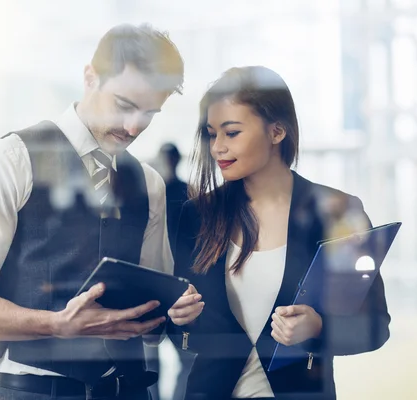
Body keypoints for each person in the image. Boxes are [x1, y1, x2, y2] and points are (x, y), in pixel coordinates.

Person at [0, 23, 198, 400]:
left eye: (149, 113)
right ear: (90, 76)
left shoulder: (150, 183)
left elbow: (151, 318)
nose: (133, 127)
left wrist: (175, 310)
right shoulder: (9, 160)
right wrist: (57, 325)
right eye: (124, 105)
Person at [166, 66, 390, 399]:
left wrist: (318, 327)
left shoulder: (337, 212)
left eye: (232, 133)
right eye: (212, 134)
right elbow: (184, 332)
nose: (217, 148)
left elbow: (374, 327)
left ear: (277, 132)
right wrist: (179, 318)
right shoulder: (198, 214)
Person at [146, 143, 194, 400]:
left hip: (167, 285)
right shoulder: (185, 193)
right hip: (171, 285)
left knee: (165, 360)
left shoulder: (184, 194)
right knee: (154, 360)